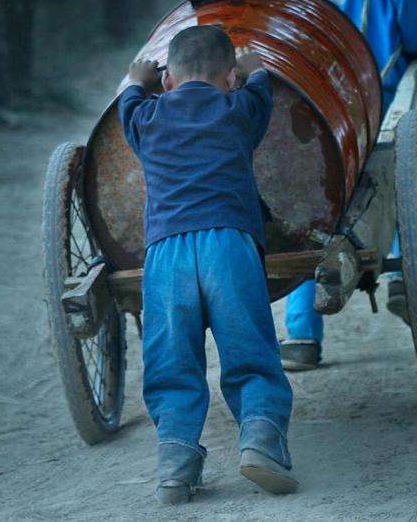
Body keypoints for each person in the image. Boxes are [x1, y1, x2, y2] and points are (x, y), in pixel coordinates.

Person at [117, 26, 298, 504]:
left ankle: (175, 467)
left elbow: (127, 102)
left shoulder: (146, 116)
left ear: (168, 81)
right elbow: (262, 86)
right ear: (230, 79)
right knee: (249, 352)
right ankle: (261, 442)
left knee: (171, 362)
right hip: (229, 245)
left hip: (166, 254)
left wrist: (138, 81)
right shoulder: (240, 108)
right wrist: (255, 68)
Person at [278, 0, 417, 371]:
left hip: (313, 112)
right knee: (405, 176)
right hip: (376, 100)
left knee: (313, 208)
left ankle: (300, 335)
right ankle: (405, 275)